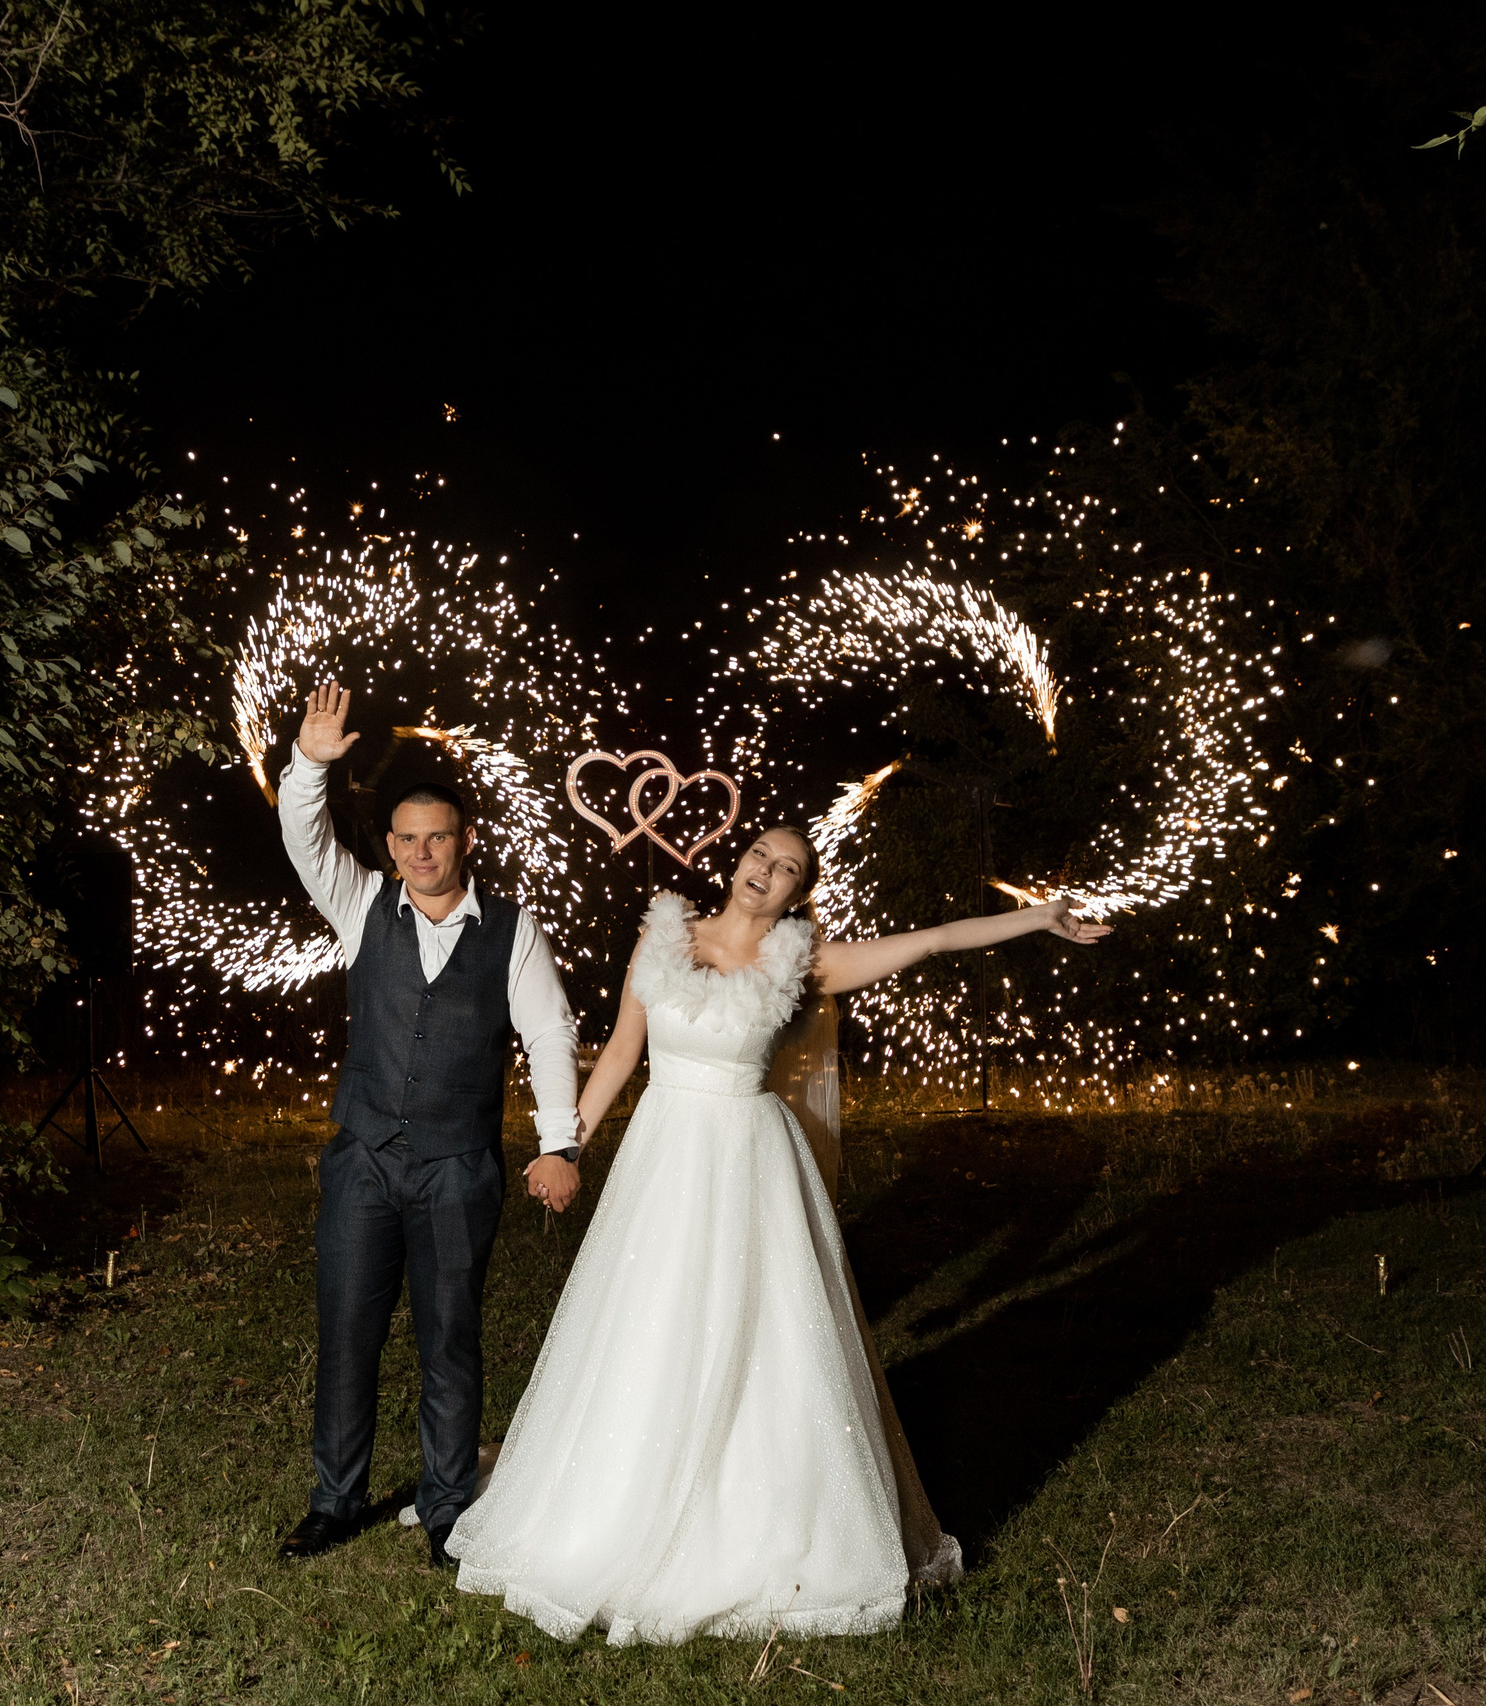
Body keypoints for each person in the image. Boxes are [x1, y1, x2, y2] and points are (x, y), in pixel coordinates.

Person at [447, 826, 1111, 1645]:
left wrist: (1037, 919)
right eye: (760, 855)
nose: (766, 871)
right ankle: (617, 1504)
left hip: (750, 1165)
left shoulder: (807, 962)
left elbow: (933, 941)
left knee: (765, 1332)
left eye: (788, 868)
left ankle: (763, 1524)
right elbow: (621, 1050)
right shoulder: (664, 939)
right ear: (737, 863)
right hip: (664, 1163)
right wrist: (564, 1144)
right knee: (651, 1324)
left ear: (799, 893)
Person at [276, 682, 586, 1568]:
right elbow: (305, 839)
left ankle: (449, 1510)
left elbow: (549, 1033)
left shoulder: (515, 933)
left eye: (436, 837)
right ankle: (335, 1502)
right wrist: (310, 765)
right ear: (390, 847)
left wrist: (556, 1142)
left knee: (450, 1337)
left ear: (466, 842)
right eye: (406, 839)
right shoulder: (359, 903)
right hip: (363, 1160)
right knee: (347, 1332)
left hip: (457, 1166)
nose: (420, 852)